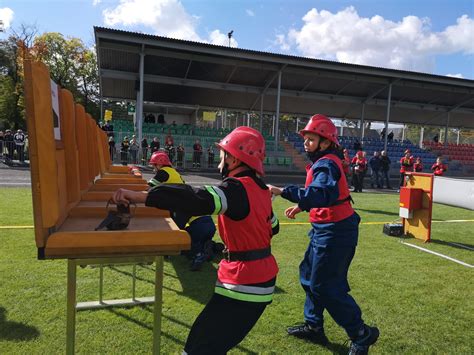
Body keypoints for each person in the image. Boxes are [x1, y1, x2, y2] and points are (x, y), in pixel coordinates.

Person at [112, 126, 280, 354]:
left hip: (244, 282)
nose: (220, 161)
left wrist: (141, 197)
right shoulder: (261, 191)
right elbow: (274, 227)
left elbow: (197, 199)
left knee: (199, 347)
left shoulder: (236, 188)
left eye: (223, 155)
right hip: (257, 279)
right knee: (207, 344)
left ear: (232, 158)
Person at [267, 114, 379, 354]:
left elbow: (321, 193)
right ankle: (314, 326)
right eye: (305, 139)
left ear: (326, 142)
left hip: (336, 232)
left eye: (310, 139)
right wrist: (301, 205)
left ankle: (361, 334)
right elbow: (323, 194)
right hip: (324, 229)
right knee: (308, 276)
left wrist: (282, 191)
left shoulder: (327, 163)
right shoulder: (324, 161)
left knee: (327, 286)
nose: (305, 143)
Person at [147, 151, 216, 271]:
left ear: (159, 164)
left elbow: (149, 188)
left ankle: (198, 254)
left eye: (154, 165)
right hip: (203, 220)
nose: (153, 169)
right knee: (183, 234)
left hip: (190, 215)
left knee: (182, 237)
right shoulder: (174, 172)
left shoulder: (163, 172)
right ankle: (210, 247)